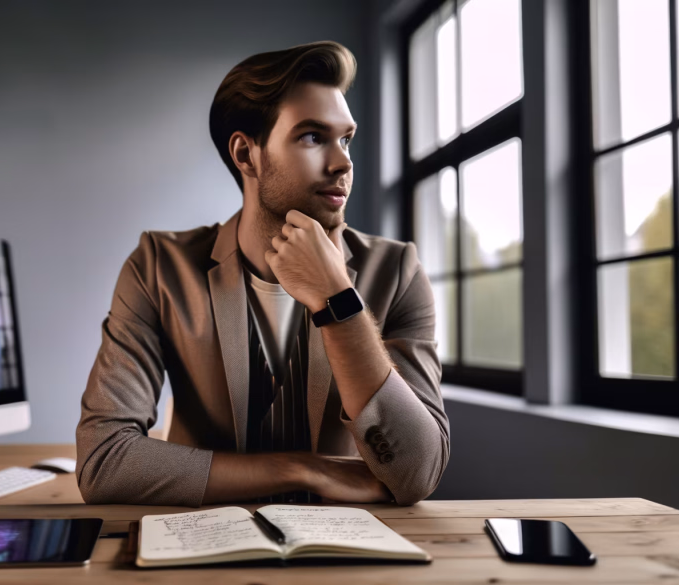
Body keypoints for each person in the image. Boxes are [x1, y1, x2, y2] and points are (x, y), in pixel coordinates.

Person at [76, 41, 448, 507]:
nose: (343, 163)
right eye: (313, 136)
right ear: (246, 154)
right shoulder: (159, 267)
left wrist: (339, 300)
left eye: (345, 138)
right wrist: (303, 468)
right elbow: (103, 462)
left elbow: (417, 474)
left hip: (349, 553)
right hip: (202, 543)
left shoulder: (396, 271)